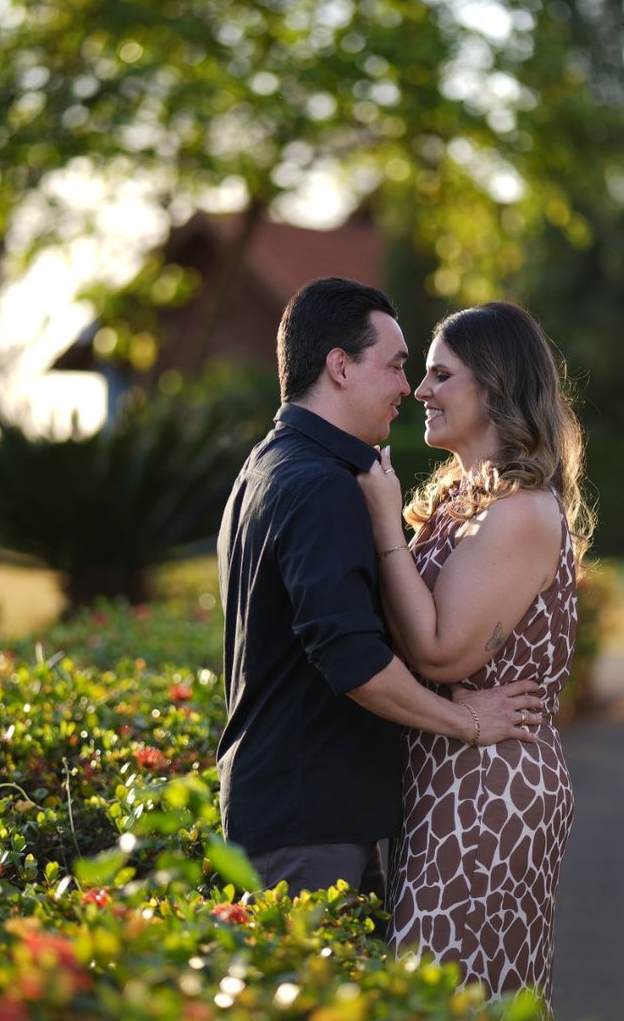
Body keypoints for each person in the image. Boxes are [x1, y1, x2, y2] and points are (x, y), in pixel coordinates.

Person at [217, 278, 543, 901]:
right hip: (310, 819)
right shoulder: (322, 484)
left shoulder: (268, 464)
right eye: (395, 366)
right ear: (340, 367)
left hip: (298, 809)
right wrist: (466, 720)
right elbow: (351, 657)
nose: (406, 387)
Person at [357, 300, 592, 1007]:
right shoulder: (459, 500)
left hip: (492, 784)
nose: (420, 391)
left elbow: (439, 653)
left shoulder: (521, 512)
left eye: (440, 375)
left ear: (492, 386)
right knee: (443, 1003)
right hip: (448, 771)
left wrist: (383, 524)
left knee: (445, 1004)